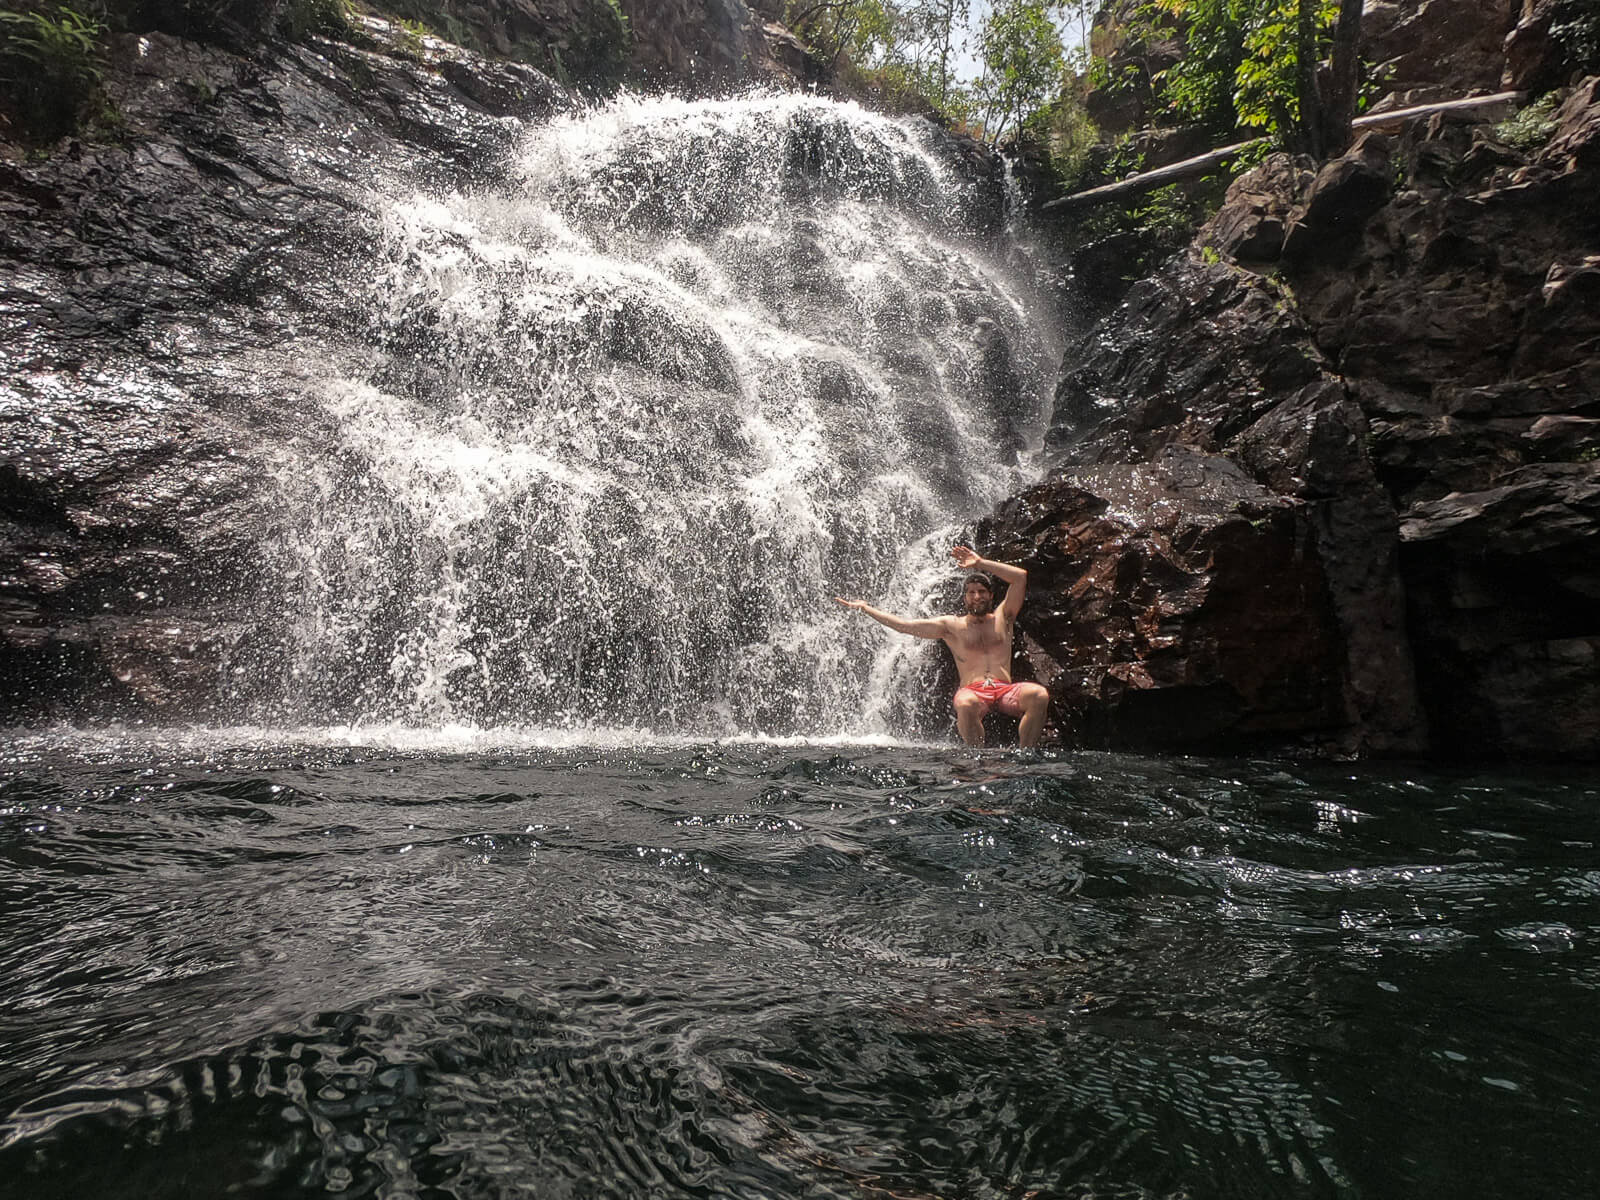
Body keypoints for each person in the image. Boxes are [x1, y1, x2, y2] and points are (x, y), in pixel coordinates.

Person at [835, 545, 1051, 748]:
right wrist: (866, 608)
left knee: (1039, 695)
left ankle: (1025, 755)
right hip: (973, 691)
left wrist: (980, 563)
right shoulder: (951, 626)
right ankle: (978, 760)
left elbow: (1019, 577)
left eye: (982, 592)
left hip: (1005, 690)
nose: (977, 597)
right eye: (972, 593)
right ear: (965, 598)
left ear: (991, 595)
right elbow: (904, 626)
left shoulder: (1004, 617)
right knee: (965, 704)